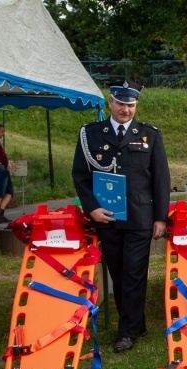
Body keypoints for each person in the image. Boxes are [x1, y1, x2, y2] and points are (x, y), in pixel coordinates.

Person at [72, 81, 171, 353]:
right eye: (120, 103)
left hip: (140, 216)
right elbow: (80, 175)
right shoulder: (90, 134)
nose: (125, 109)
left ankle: (126, 332)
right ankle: (135, 323)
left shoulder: (149, 134)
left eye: (131, 105)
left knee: (134, 273)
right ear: (110, 103)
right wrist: (91, 208)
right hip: (106, 216)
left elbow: (161, 179)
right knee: (117, 272)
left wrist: (161, 218)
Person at [0, 123, 14, 224]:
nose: (3, 134)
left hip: (3, 168)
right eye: (1, 131)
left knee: (9, 192)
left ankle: (0, 212)